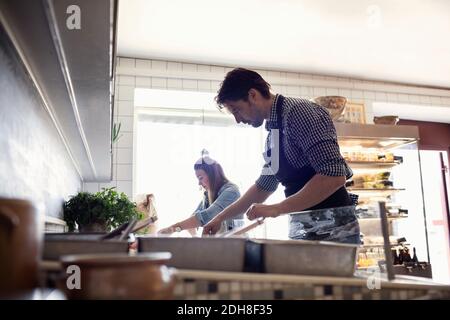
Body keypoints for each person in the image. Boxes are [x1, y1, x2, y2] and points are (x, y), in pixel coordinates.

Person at [202, 68, 360, 244]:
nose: (238, 120)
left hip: (334, 228)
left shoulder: (300, 113)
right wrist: (220, 218)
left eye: (237, 110)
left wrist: (277, 209)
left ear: (253, 95)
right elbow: (264, 186)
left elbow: (333, 176)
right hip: (304, 227)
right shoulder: (274, 133)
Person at [159, 153, 243, 235]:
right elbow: (194, 218)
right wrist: (193, 232)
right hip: (220, 243)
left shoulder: (231, 192)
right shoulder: (208, 195)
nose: (199, 183)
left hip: (234, 243)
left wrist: (173, 228)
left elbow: (207, 216)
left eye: (201, 178)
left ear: (212, 175)